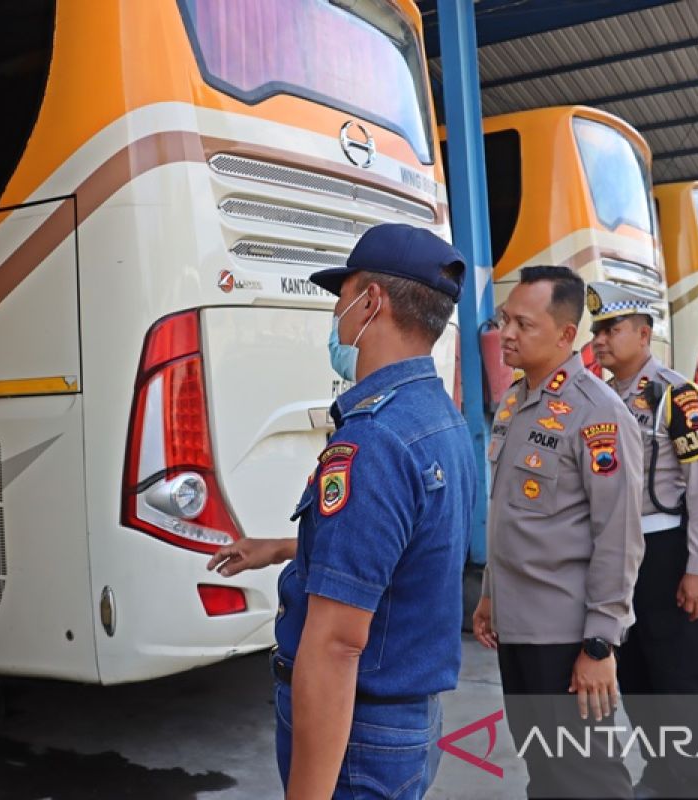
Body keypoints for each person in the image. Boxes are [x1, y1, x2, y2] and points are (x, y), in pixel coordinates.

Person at [207, 223, 475, 799]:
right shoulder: (438, 418)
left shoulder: (375, 440)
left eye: (340, 298)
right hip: (401, 723)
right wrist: (281, 548)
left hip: (359, 734)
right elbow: (404, 554)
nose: (337, 317)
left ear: (370, 302)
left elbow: (335, 645)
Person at [472, 266, 644, 799]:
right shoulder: (514, 402)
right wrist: (488, 595)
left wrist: (599, 644)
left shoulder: (599, 414)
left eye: (523, 324)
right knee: (544, 774)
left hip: (566, 639)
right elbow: (507, 512)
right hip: (516, 630)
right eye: (505, 321)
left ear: (567, 335)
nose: (507, 334)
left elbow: (618, 536)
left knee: (588, 779)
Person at [587, 281, 698, 799]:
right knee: (638, 673)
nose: (600, 340)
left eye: (611, 329)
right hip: (618, 559)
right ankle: (663, 775)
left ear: (643, 334)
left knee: (680, 676)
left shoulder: (677, 394)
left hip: (666, 554)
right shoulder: (598, 397)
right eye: (596, 331)